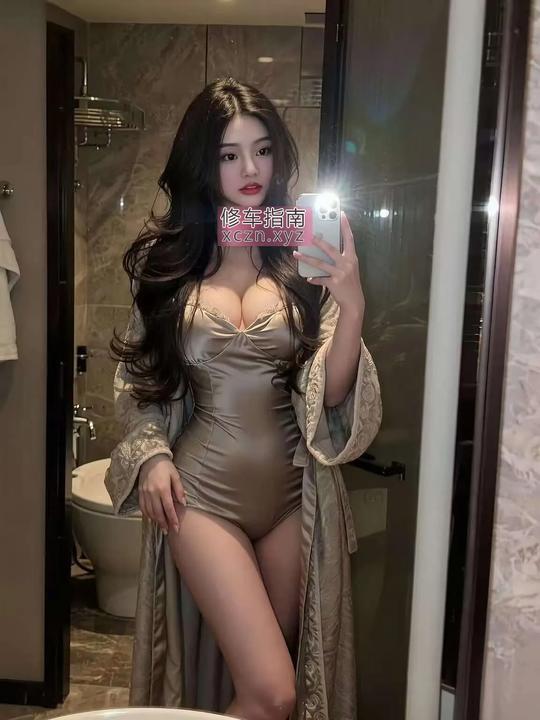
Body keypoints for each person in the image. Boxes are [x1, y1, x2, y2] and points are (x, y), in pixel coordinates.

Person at [104, 77, 382, 720]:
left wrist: (352, 304)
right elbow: (140, 383)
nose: (251, 170)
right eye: (230, 155)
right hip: (201, 497)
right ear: (204, 163)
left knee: (263, 681)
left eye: (262, 150)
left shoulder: (301, 257)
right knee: (273, 692)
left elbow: (333, 395)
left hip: (291, 501)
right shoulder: (171, 264)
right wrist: (152, 456)